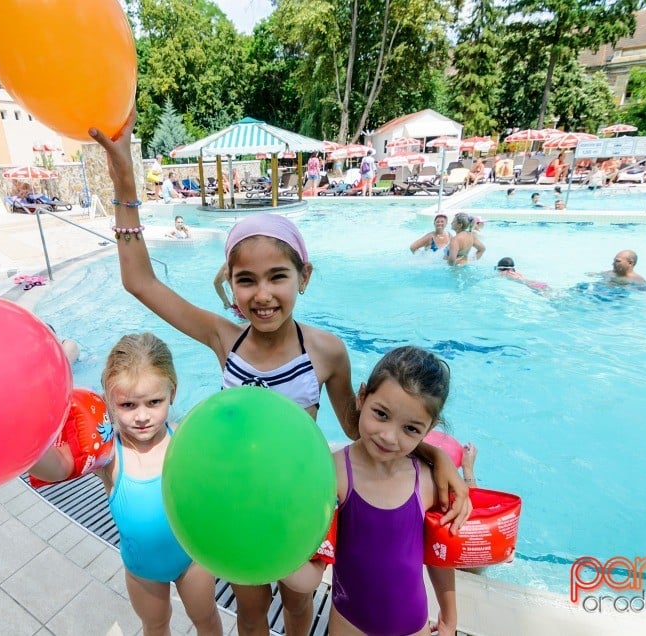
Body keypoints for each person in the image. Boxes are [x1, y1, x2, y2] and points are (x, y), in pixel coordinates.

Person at [90, 110, 470, 636]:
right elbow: (139, 281)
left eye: (278, 277)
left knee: (295, 610)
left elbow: (367, 429)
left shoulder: (326, 353)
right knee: (249, 609)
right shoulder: (226, 338)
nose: (262, 295)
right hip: (234, 498)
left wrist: (431, 455)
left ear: (303, 277)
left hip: (296, 504)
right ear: (231, 284)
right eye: (246, 280)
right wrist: (125, 181)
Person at [31, 333, 222, 635]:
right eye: (128, 405)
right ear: (109, 401)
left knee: (207, 619)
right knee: (155, 625)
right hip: (143, 570)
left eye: (154, 402)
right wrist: (30, 443)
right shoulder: (109, 455)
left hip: (192, 562)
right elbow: (57, 468)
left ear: (173, 393)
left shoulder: (186, 439)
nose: (142, 416)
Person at [285, 347, 459, 636]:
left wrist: (450, 619)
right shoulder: (334, 474)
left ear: (430, 428)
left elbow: (439, 558)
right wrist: (274, 555)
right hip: (349, 625)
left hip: (413, 627)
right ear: (362, 397)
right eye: (381, 414)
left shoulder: (427, 481)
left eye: (411, 429)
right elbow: (310, 574)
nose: (390, 437)